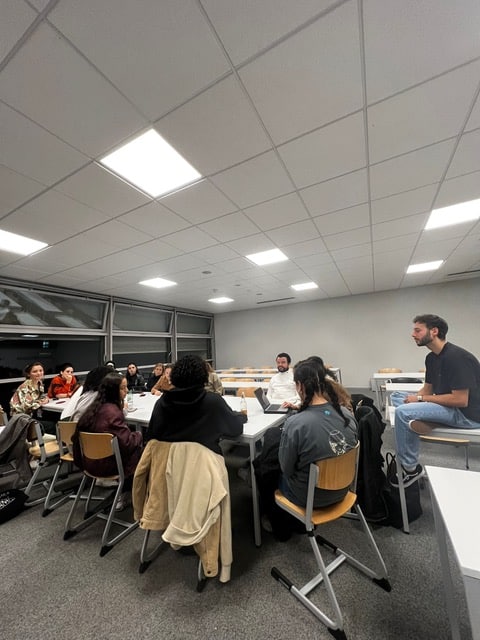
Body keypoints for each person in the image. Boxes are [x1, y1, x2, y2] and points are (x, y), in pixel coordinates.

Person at [391, 314, 480, 487]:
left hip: (466, 415)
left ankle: (410, 468)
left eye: (418, 330)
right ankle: (427, 419)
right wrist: (415, 400)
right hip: (447, 406)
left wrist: (419, 400)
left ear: (434, 331)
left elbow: (461, 400)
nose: (413, 334)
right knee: (397, 396)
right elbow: (427, 390)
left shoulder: (457, 358)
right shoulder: (431, 358)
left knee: (402, 412)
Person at [278, 359, 358, 510]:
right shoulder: (346, 414)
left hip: (309, 497)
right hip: (344, 490)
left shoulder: (295, 424)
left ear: (299, 386)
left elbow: (286, 469)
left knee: (270, 473)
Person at [147, 354, 246, 454]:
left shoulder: (162, 402)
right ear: (204, 377)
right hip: (204, 461)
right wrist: (240, 416)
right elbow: (236, 429)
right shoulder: (213, 402)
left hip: (170, 461)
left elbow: (151, 436)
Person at [73, 372, 143, 510]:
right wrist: (139, 434)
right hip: (108, 466)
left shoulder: (94, 408)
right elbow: (128, 443)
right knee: (146, 448)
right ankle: (130, 493)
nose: (126, 391)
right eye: (123, 388)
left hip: (89, 463)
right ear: (113, 391)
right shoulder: (112, 413)